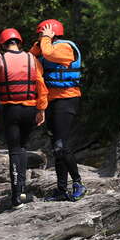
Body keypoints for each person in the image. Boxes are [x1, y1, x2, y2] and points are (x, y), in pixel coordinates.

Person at [0, 28, 47, 209]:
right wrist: (41, 109)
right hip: (29, 110)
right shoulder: (31, 59)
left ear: (2, 44)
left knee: (14, 151)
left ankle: (16, 196)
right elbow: (41, 85)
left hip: (10, 110)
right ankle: (23, 192)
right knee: (23, 148)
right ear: (19, 42)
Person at [30, 19, 86, 202]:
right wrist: (42, 107)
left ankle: (78, 183)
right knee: (56, 148)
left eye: (42, 34)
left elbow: (48, 52)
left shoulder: (64, 48)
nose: (40, 38)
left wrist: (46, 39)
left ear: (51, 33)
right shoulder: (45, 47)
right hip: (52, 102)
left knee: (61, 145)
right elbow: (30, 59)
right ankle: (61, 190)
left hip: (67, 100)